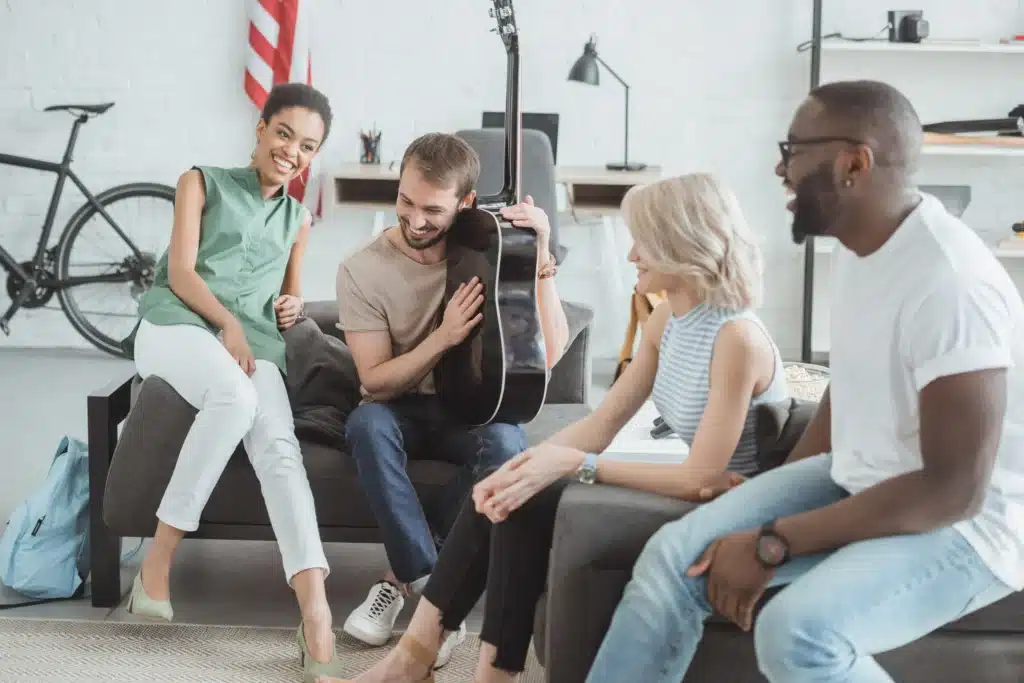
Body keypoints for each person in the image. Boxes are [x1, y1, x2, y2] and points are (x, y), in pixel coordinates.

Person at [584, 79, 1024, 683]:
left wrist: (775, 540)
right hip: (863, 475)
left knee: (799, 632)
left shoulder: (951, 284)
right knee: (672, 559)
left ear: (853, 164)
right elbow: (851, 389)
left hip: (967, 524)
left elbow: (953, 491)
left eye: (793, 152)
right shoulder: (861, 249)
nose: (779, 169)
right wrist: (771, 494)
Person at [320, 171, 789, 683]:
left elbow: (702, 478)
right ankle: (430, 662)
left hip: (732, 508)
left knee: (526, 489)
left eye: (646, 244)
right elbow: (603, 424)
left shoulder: (737, 339)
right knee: (509, 488)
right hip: (698, 488)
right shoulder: (667, 321)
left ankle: (418, 665)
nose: (632, 255)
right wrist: (527, 465)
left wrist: (578, 465)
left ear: (684, 248)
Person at [121, 83, 346, 680]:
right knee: (234, 396)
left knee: (280, 448)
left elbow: (288, 297)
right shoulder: (199, 182)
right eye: (284, 134)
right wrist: (228, 323)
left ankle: (316, 612)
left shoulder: (298, 219)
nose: (292, 151)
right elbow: (181, 272)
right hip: (177, 324)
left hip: (251, 342)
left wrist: (290, 307)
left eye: (307, 145)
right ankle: (157, 563)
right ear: (261, 128)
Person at [334, 132, 571, 662]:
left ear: (466, 203)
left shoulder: (493, 247)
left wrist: (542, 255)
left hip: (471, 409)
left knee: (508, 445)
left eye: (433, 210)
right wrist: (443, 337)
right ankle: (435, 599)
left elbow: (550, 353)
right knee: (365, 425)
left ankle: (398, 580)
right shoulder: (362, 268)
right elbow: (374, 381)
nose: (415, 220)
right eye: (406, 201)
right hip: (399, 406)